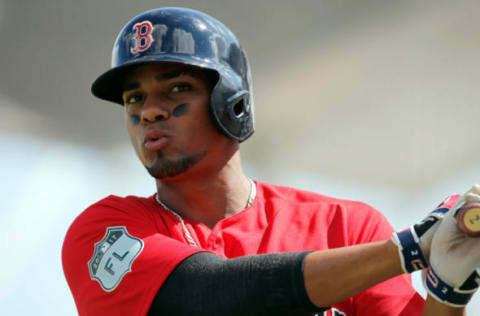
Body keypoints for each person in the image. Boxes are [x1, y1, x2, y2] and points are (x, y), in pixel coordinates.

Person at [62, 7, 480, 316]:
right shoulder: (106, 233)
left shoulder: (347, 228)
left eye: (176, 89)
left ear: (233, 103)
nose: (149, 111)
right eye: (134, 98)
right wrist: (407, 250)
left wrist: (448, 292)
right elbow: (207, 297)